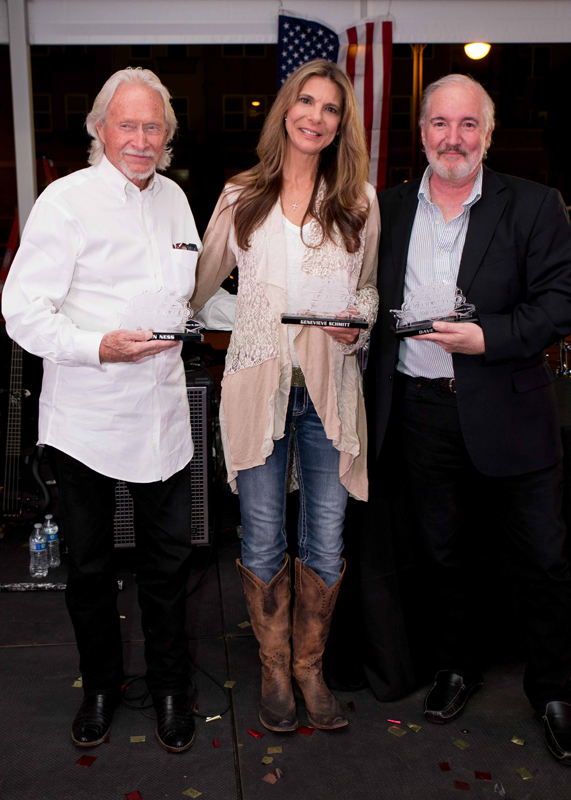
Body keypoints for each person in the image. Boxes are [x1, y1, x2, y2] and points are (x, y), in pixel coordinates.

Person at [365, 73, 571, 764]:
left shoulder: (534, 205)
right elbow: (368, 299)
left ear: (486, 132)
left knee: (542, 558)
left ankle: (554, 690)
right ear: (420, 132)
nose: (451, 138)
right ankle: (453, 667)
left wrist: (487, 337)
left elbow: (558, 301)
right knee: (441, 555)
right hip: (420, 411)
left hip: (510, 411)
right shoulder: (387, 209)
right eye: (437, 124)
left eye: (466, 125)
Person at [2, 68, 200, 754]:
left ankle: (171, 687)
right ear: (99, 128)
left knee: (169, 567)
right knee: (89, 570)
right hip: (85, 422)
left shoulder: (177, 201)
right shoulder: (64, 202)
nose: (141, 140)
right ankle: (100, 686)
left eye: (153, 127)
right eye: (128, 125)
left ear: (166, 136)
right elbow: (21, 313)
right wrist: (97, 347)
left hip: (164, 421)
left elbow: (184, 304)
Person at [191, 59, 380, 733]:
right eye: (306, 102)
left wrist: (356, 323)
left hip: (330, 388)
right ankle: (273, 671)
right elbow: (199, 282)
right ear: (284, 110)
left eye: (330, 108)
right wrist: (238, 320)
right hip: (256, 386)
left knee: (324, 540)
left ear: (340, 124)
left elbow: (368, 290)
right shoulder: (242, 193)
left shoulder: (357, 198)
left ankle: (309, 670)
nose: (316, 116)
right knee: (264, 535)